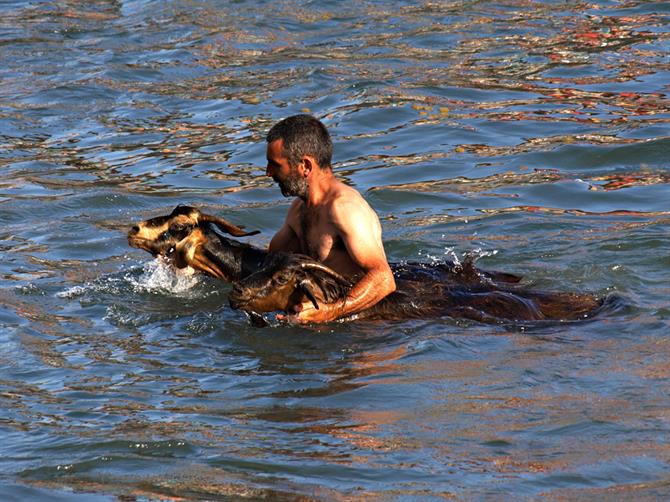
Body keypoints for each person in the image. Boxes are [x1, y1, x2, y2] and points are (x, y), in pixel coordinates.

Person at [265, 114, 396, 323]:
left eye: (275, 165)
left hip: (366, 325)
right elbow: (269, 263)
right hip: (326, 314)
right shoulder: (298, 209)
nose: (268, 173)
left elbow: (383, 279)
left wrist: (329, 312)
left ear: (305, 166)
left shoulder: (345, 208)